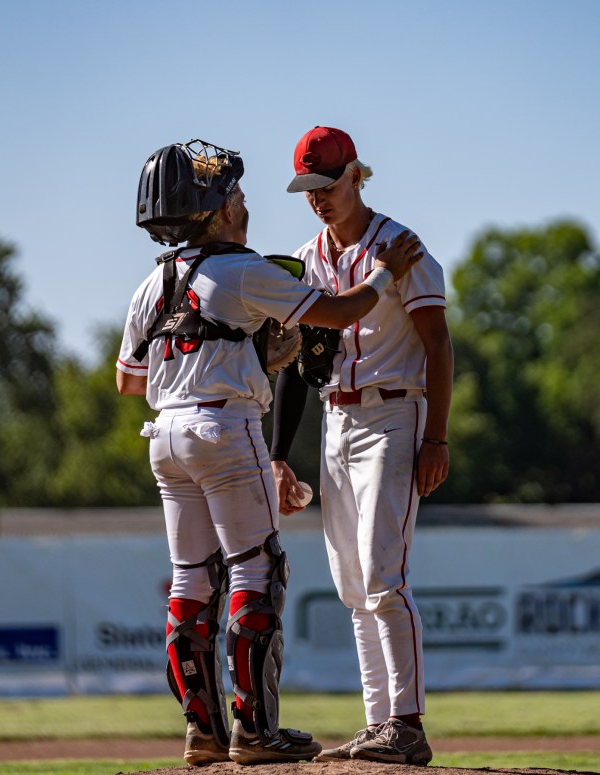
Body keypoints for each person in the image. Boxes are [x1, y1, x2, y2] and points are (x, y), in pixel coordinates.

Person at [115, 138, 424, 766]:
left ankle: (200, 731)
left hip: (164, 438)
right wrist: (387, 271)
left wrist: (220, 357)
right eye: (238, 196)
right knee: (257, 570)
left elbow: (128, 379)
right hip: (224, 431)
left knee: (188, 581)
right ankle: (253, 732)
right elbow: (339, 313)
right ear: (221, 210)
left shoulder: (154, 282)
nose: (244, 203)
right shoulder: (243, 268)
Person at [270, 126, 454, 765]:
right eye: (307, 187)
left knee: (382, 573)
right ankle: (379, 723)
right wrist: (279, 455)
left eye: (326, 182)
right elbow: (295, 364)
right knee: (351, 584)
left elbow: (438, 342)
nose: (317, 196)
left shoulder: (400, 246)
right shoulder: (309, 255)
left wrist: (436, 436)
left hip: (393, 416)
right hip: (335, 423)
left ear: (355, 175)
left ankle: (406, 723)